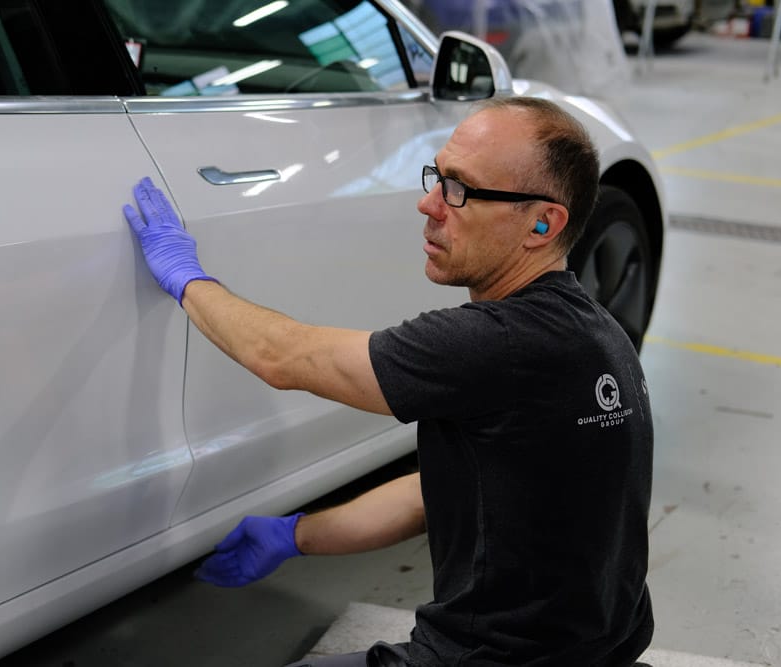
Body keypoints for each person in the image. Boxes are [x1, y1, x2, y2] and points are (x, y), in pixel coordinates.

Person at [123, 96, 654, 667]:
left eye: (460, 189)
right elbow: (437, 493)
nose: (429, 204)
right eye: (437, 177)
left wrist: (185, 277)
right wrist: (295, 535)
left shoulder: (494, 342)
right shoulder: (597, 333)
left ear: (543, 222)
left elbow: (282, 356)